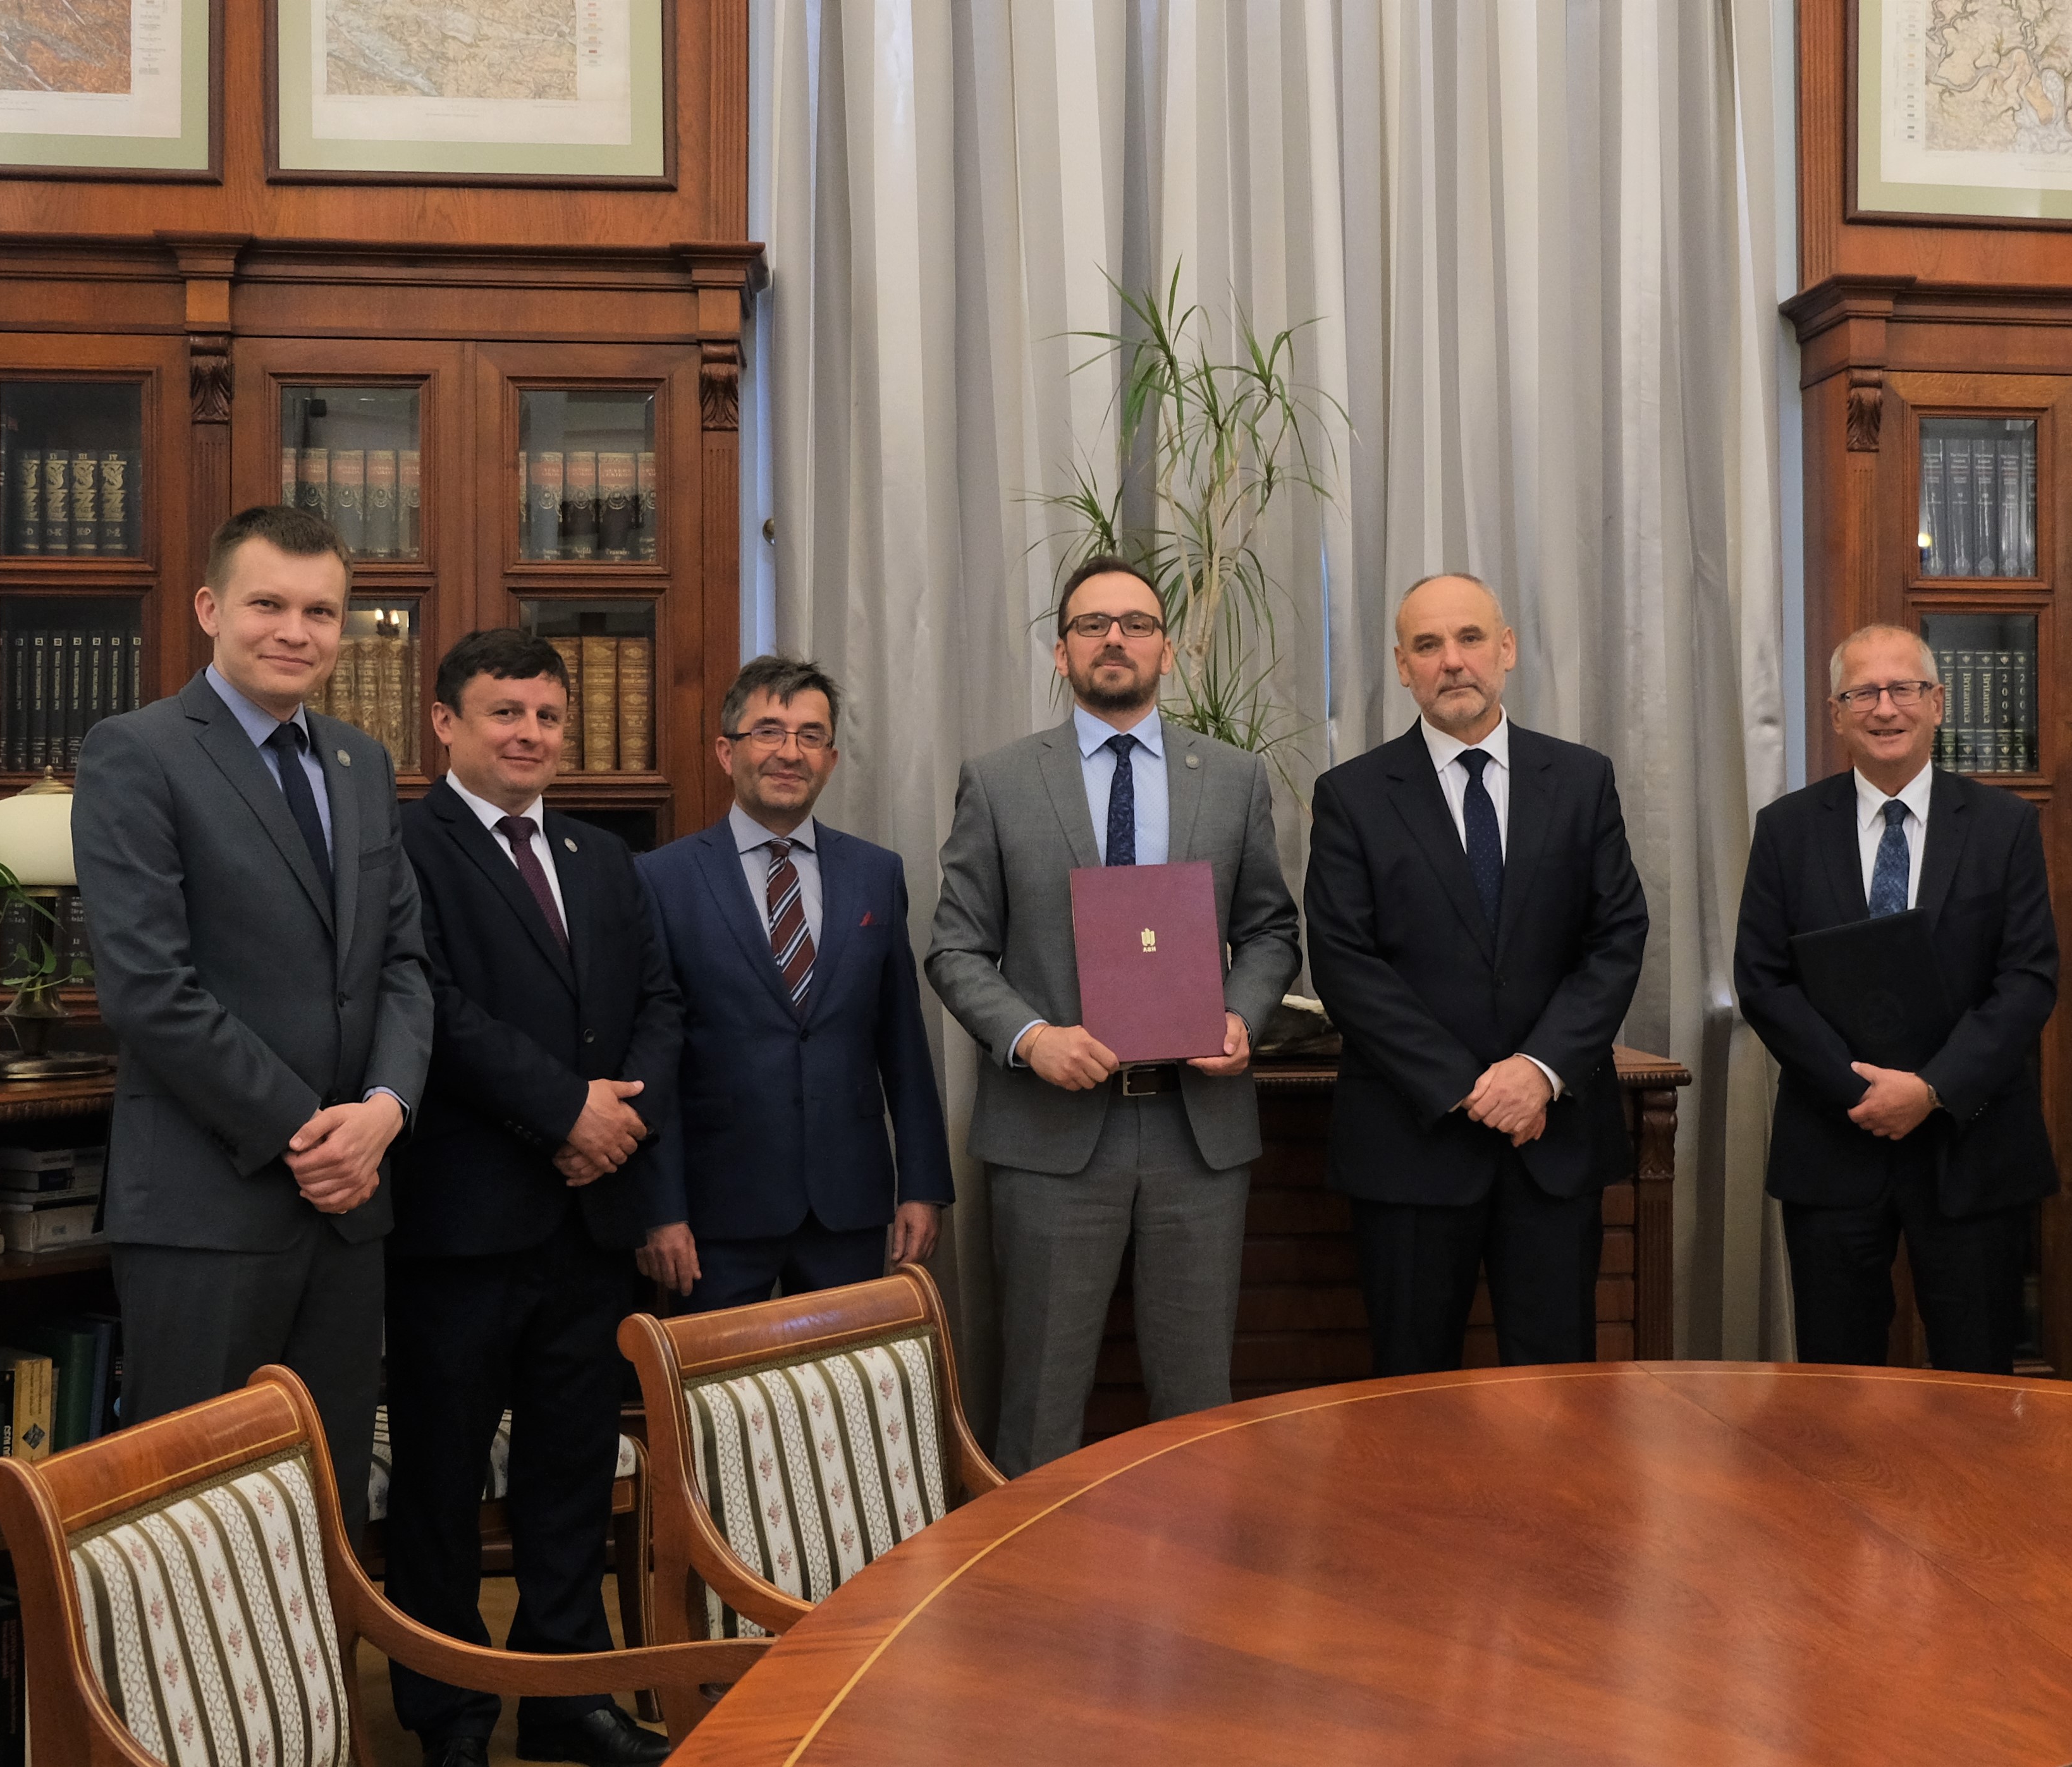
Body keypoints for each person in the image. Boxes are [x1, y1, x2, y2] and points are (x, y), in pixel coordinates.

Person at [73, 504, 430, 1515]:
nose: (295, 631)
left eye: (320, 611)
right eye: (267, 603)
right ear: (209, 609)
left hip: (351, 1205)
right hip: (208, 1210)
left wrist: (384, 1110)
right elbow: (148, 988)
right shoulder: (136, 751)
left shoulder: (361, 762)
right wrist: (305, 1129)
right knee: (193, 1514)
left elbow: (404, 966)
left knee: (326, 1506)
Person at [927, 556, 1301, 1476]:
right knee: (1040, 1405)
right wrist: (1032, 1039)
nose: (1114, 639)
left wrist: (1241, 1015)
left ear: (1166, 650)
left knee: (1197, 1408)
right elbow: (955, 949)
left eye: (1136, 623)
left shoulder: (1233, 778)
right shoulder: (1001, 781)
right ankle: (1026, 1573)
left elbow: (1269, 929)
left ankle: (1194, 1568)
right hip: (1052, 1135)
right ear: (1061, 653)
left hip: (1195, 1134)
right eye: (1091, 624)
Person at [384, 630, 682, 1767]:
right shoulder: (401, 847)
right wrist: (565, 1112)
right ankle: (451, 1714)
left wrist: (617, 1125)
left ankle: (567, 1697)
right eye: (505, 712)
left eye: (548, 716)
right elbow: (433, 1007)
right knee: (440, 1482)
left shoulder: (603, 855)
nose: (530, 734)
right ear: (445, 724)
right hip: (462, 1223)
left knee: (571, 1471)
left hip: (587, 1221)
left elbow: (659, 1003)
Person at [1303, 573, 1648, 1374]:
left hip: (1553, 1140)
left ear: (1507, 649)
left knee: (1558, 1391)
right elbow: (1345, 965)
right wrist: (1467, 1086)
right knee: (1411, 1392)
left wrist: (1538, 1070)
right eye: (1427, 645)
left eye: (1469, 638)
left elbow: (1616, 937)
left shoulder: (1581, 779)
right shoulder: (1351, 795)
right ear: (1402, 666)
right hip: (1411, 1146)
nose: (1451, 661)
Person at [1733, 623, 2059, 1374]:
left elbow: (2028, 978)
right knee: (1837, 1383)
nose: (1885, 708)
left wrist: (1931, 1088)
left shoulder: (2004, 826)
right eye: (1862, 693)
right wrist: (1861, 1090)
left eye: (1903, 689)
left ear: (1937, 703)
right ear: (1835, 713)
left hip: (1970, 1144)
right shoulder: (1786, 830)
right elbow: (1763, 979)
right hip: (1834, 1141)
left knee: (1975, 1388)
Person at [633, 656, 950, 1308]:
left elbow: (902, 1042)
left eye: (811, 736)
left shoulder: (876, 873)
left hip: (848, 1203)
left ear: (830, 760)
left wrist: (922, 1184)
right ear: (726, 752)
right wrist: (659, 1209)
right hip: (715, 1210)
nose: (790, 752)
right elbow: (650, 1060)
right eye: (768, 732)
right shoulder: (662, 880)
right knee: (720, 1377)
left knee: (846, 1375)